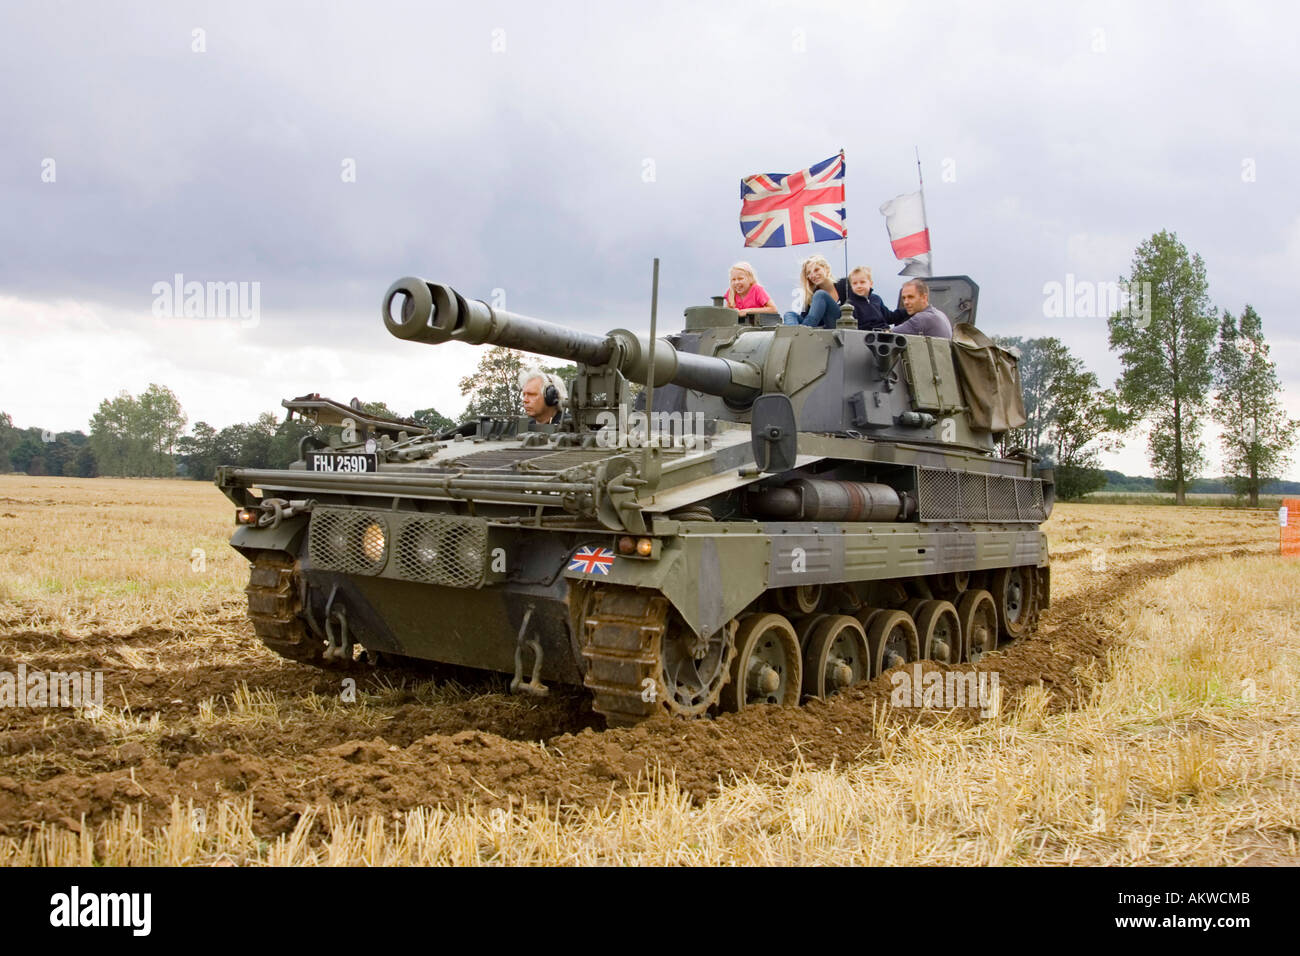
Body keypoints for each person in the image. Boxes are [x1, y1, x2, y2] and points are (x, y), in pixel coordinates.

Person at [782, 255, 843, 329]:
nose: (813, 275)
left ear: (827, 269)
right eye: (809, 273)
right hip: (818, 329)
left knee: (821, 294)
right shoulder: (813, 296)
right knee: (789, 314)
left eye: (816, 270)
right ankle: (794, 333)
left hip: (840, 326)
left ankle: (801, 333)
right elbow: (806, 318)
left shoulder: (843, 285)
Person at [886, 278, 952, 338]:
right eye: (904, 298)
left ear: (924, 297)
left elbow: (885, 335)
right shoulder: (940, 314)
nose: (906, 302)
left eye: (910, 297)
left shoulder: (922, 318)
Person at [832, 266, 892, 331]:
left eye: (862, 282)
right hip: (867, 335)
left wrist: (903, 312)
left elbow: (889, 316)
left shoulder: (876, 299)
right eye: (855, 283)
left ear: (871, 284)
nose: (859, 286)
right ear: (851, 286)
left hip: (886, 332)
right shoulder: (851, 305)